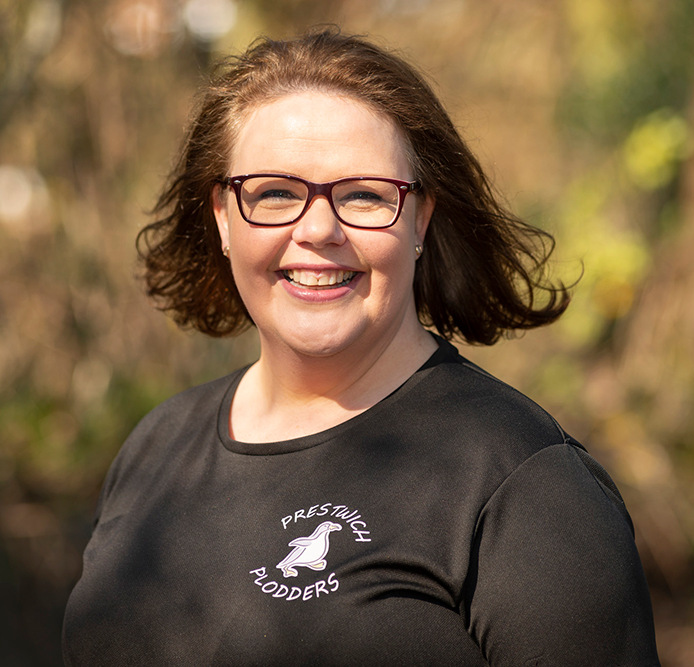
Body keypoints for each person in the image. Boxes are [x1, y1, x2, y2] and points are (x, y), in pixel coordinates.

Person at [62, 28, 661, 667]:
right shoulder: (155, 448)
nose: (318, 229)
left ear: (420, 220)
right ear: (222, 218)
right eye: (275, 193)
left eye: (363, 195)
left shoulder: (525, 485)